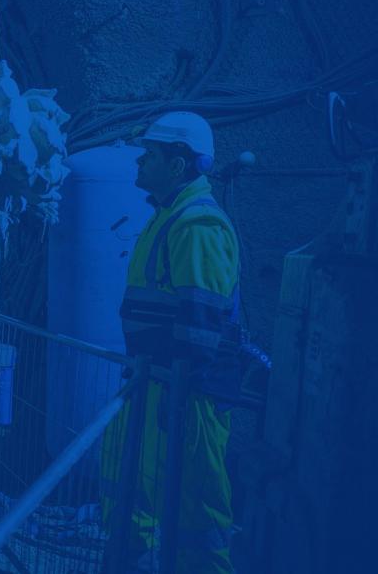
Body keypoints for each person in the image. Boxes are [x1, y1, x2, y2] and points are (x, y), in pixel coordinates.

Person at [100, 111, 243, 574]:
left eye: (150, 154)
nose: (139, 162)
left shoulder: (196, 224)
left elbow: (200, 326)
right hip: (155, 382)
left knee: (196, 512)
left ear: (178, 165)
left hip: (187, 392)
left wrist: (178, 391)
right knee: (130, 490)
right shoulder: (167, 215)